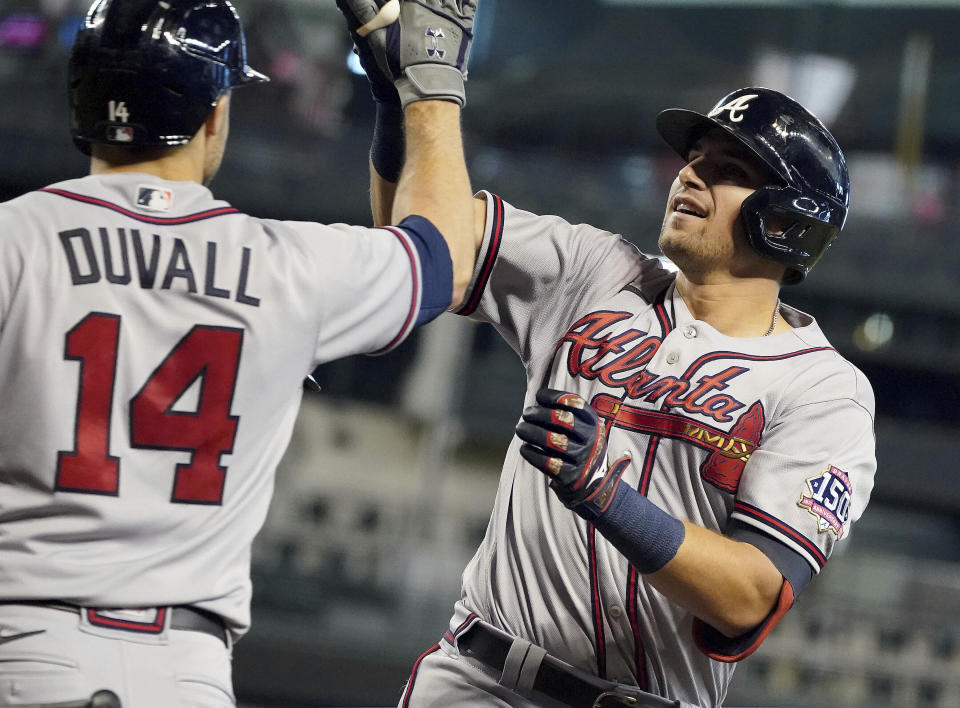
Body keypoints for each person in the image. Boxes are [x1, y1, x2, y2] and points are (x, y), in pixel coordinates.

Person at [355, 34, 876, 706]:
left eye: (728, 169)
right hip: (477, 680)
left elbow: (750, 598)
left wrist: (606, 494)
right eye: (693, 159)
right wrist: (403, 101)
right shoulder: (593, 270)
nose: (689, 174)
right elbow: (422, 242)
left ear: (789, 222)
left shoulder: (823, 390)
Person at [0, 0, 476, 706]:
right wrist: (418, 93)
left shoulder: (13, 242)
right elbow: (444, 259)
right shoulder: (290, 264)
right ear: (215, 112)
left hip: (26, 647)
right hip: (188, 672)